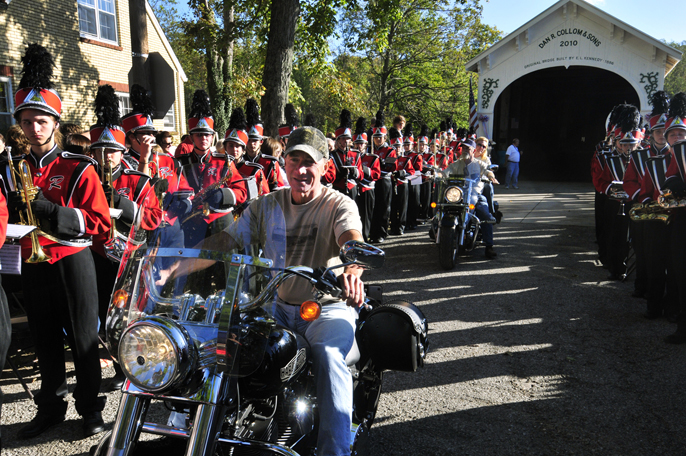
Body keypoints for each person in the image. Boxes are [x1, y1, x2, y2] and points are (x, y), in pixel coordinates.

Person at [166, 126, 365, 456]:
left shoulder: (338, 204)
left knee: (329, 357)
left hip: (326, 307)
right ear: (284, 163)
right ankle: (214, 427)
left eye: (309, 162)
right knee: (223, 342)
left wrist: (352, 271)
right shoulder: (267, 205)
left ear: (325, 165)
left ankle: (336, 450)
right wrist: (173, 266)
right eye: (294, 160)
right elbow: (226, 241)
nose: (301, 169)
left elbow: (352, 241)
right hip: (275, 304)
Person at [4, 44, 110, 438]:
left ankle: (90, 409)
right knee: (44, 339)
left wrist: (51, 210)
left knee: (82, 340)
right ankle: (50, 408)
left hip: (72, 260)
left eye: (42, 120)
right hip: (33, 262)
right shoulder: (13, 170)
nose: (34, 128)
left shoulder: (79, 167)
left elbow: (99, 223)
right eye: (27, 121)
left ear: (55, 122)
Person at [439, 138, 499, 259]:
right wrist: (437, 175)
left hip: (475, 194)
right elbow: (445, 172)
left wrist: (491, 176)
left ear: (473, 150)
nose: (465, 150)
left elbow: (487, 170)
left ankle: (489, 246)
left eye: (468, 148)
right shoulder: (457, 164)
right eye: (464, 148)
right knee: (442, 206)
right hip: (458, 195)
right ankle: (440, 232)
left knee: (485, 214)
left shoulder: (479, 164)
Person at [369, 111, 396, 243]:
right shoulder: (370, 150)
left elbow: (391, 166)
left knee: (384, 207)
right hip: (372, 181)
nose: (378, 139)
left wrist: (380, 163)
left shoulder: (390, 150)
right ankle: (372, 232)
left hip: (384, 181)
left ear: (385, 138)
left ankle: (381, 233)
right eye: (376, 137)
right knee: (373, 208)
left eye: (380, 137)